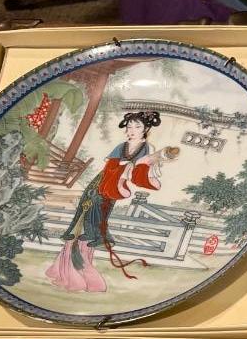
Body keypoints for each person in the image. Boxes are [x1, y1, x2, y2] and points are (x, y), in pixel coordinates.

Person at [46, 111, 173, 291]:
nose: (132, 130)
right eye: (129, 126)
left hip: (113, 187)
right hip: (102, 181)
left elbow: (142, 171)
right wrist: (124, 167)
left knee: (97, 216)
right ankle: (67, 268)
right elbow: (110, 166)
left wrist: (133, 167)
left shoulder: (147, 148)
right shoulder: (121, 146)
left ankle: (85, 261)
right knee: (85, 212)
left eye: (137, 126)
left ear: (146, 129)